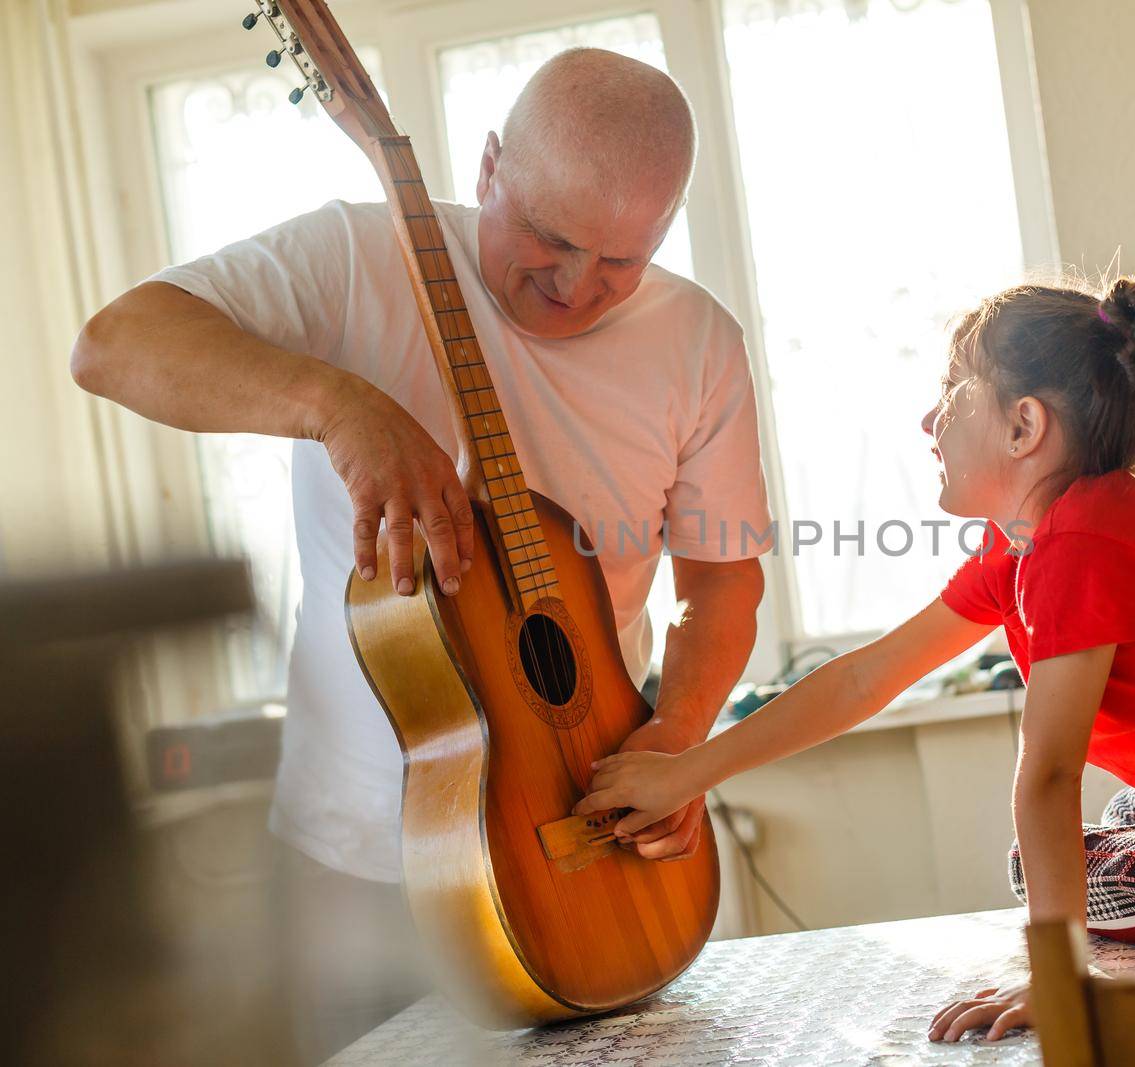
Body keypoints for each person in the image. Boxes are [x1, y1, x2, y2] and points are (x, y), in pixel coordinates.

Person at [71, 48, 770, 1060]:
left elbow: (721, 581)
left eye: (624, 259)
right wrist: (335, 402)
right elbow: (113, 344)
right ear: (488, 168)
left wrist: (681, 735)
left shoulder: (699, 341)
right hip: (354, 863)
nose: (578, 284)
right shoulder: (357, 255)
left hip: (589, 842)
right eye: (550, 235)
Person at [573, 275, 1135, 1043]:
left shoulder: (1083, 546)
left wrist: (1057, 979)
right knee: (1092, 842)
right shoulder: (1035, 542)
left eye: (951, 390)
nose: (928, 419)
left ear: (1023, 425)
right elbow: (867, 677)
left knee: (1037, 866)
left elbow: (1048, 775)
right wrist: (687, 771)